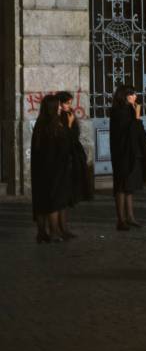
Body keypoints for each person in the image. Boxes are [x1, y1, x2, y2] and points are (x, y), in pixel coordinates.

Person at [30, 94, 74, 243]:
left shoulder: (40, 123)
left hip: (40, 169)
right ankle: (54, 232)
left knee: (41, 201)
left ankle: (42, 232)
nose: (61, 107)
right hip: (54, 169)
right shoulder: (55, 125)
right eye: (58, 106)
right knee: (54, 201)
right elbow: (64, 146)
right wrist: (68, 126)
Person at [109, 84, 146, 231]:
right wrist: (137, 117)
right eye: (132, 94)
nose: (135, 97)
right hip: (122, 153)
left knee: (129, 186)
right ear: (125, 96)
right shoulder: (118, 112)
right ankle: (121, 219)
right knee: (121, 186)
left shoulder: (129, 110)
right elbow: (129, 132)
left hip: (133, 151)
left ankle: (130, 217)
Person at [56, 91, 87, 239]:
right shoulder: (56, 120)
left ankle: (64, 227)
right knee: (60, 197)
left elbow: (74, 137)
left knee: (66, 196)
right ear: (60, 104)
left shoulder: (70, 116)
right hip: (60, 161)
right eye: (67, 103)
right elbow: (63, 140)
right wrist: (68, 126)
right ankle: (57, 228)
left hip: (70, 159)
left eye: (70, 102)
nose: (70, 106)